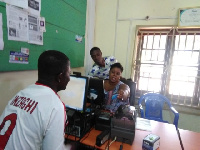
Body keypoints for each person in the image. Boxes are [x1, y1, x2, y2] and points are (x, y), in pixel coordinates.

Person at [0, 50, 71, 150]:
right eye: (69, 73)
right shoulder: (56, 106)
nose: (69, 78)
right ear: (60, 77)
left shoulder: (21, 94)